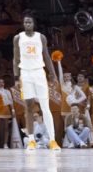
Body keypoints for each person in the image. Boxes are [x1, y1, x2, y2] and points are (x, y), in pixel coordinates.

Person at [13, 13, 62, 150]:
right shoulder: (18, 38)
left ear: (33, 24)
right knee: (28, 107)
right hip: (25, 73)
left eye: (30, 22)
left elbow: (46, 56)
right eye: (25, 22)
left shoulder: (41, 37)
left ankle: (52, 140)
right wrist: (16, 77)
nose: (27, 24)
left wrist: (53, 74)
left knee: (45, 107)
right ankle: (31, 140)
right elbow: (16, 58)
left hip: (39, 72)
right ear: (23, 24)